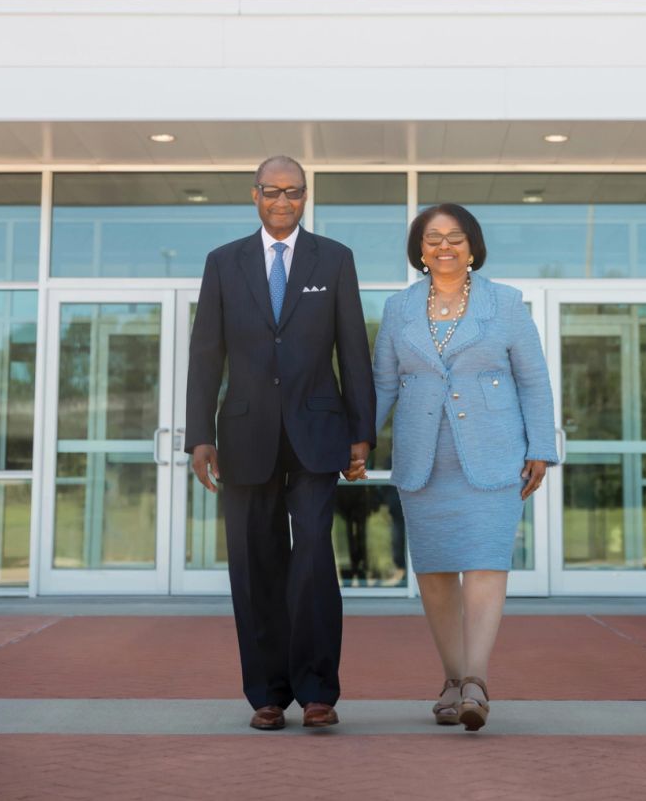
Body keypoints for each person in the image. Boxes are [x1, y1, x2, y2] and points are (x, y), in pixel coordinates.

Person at [185, 155, 375, 731]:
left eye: (294, 192)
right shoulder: (223, 263)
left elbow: (354, 350)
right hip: (244, 434)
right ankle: (267, 693)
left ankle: (318, 690)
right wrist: (199, 436)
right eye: (273, 191)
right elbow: (205, 356)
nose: (283, 201)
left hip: (318, 433)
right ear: (255, 195)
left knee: (314, 555)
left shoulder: (334, 259)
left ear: (306, 196)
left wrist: (361, 432)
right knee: (254, 562)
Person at [373, 203, 558, 731]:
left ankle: (475, 680)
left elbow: (534, 381)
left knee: (484, 565)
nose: (444, 246)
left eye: (455, 237)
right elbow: (383, 383)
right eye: (433, 239)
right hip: (422, 460)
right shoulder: (398, 308)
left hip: (494, 455)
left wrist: (539, 446)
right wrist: (356, 442)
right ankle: (453, 680)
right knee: (433, 573)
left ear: (472, 247)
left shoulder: (506, 303)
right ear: (420, 251)